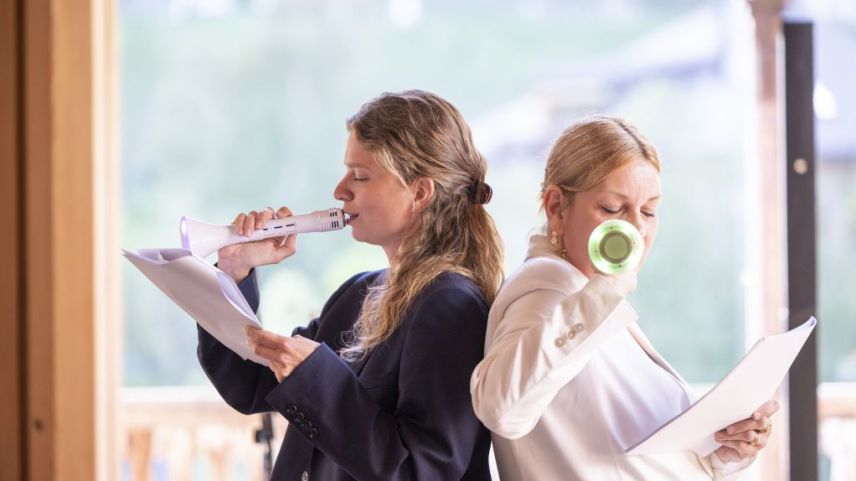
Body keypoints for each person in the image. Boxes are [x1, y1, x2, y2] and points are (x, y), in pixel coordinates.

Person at [198, 90, 503, 481]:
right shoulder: (358, 293)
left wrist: (316, 379)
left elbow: (423, 471)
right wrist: (234, 273)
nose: (340, 191)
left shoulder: (451, 307)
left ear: (420, 193)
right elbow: (249, 384)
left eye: (360, 176)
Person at [469, 116, 778, 481]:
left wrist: (721, 450)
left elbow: (623, 447)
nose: (636, 228)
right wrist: (607, 290)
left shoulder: (589, 294)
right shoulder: (545, 290)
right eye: (613, 209)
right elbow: (501, 408)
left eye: (649, 211)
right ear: (556, 208)